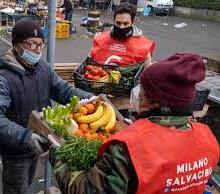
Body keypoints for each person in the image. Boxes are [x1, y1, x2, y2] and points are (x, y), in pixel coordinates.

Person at [49, 53, 219, 193]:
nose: (139, 96)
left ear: (153, 101)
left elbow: (84, 190)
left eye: (142, 91)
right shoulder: (208, 139)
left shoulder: (128, 148)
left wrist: (58, 155)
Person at [0, 18, 93, 194]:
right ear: (16, 44)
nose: (37, 50)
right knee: (17, 189)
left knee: (29, 183)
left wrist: (92, 98)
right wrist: (25, 137)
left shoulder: (43, 68)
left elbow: (64, 91)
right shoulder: (4, 78)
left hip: (39, 143)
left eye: (41, 45)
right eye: (32, 44)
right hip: (16, 149)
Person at [90, 3, 155, 66]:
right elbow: (88, 61)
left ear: (133, 22)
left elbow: (146, 72)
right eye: (118, 23)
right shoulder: (100, 39)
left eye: (126, 23)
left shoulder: (144, 46)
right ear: (113, 20)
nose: (121, 27)